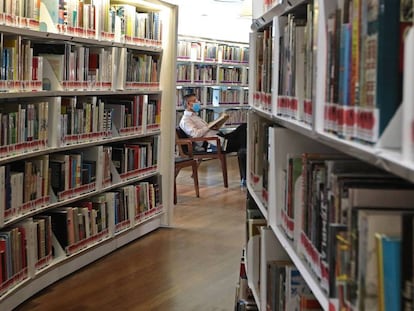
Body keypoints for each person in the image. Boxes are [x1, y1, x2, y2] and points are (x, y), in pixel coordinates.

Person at [179, 92, 247, 185]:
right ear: (188, 104)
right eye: (195, 101)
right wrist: (208, 127)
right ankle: (245, 176)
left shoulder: (194, 116)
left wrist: (215, 126)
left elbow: (204, 131)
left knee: (244, 127)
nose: (198, 102)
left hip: (219, 137)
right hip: (215, 143)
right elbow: (195, 134)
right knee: (243, 143)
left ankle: (245, 176)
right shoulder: (185, 120)